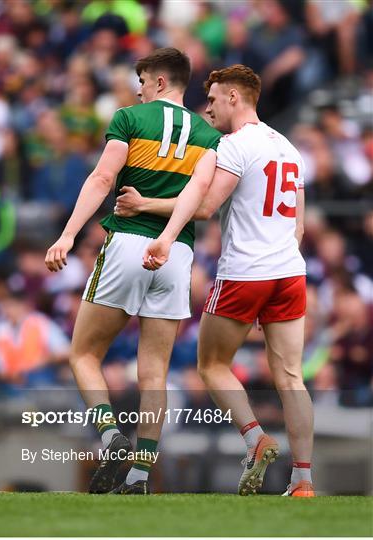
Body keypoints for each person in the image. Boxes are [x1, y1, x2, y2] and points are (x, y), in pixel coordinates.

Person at [116, 64, 315, 497]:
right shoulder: (289, 149)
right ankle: (302, 480)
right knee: (292, 378)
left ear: (233, 97)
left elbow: (204, 206)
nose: (207, 109)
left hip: (245, 272)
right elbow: (298, 228)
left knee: (210, 365)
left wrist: (145, 204)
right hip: (289, 272)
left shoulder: (235, 145)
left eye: (212, 100)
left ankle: (255, 437)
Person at [44, 47, 220, 495]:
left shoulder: (129, 118)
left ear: (160, 82)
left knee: (83, 355)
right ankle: (141, 476)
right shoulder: (208, 133)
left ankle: (111, 437)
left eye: (142, 81)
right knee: (155, 372)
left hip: (127, 244)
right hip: (176, 253)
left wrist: (67, 235)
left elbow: (103, 179)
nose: (137, 90)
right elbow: (200, 206)